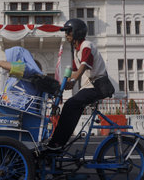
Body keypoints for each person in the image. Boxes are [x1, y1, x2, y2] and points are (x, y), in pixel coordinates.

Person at [46, 19, 112, 150]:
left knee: (71, 105)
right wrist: (60, 84)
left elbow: (81, 70)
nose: (66, 35)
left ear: (76, 32)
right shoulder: (77, 51)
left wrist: (72, 80)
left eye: (68, 32)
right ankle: (57, 141)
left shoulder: (86, 45)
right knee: (69, 106)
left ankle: (58, 143)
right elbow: (74, 73)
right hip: (89, 86)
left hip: (98, 86)